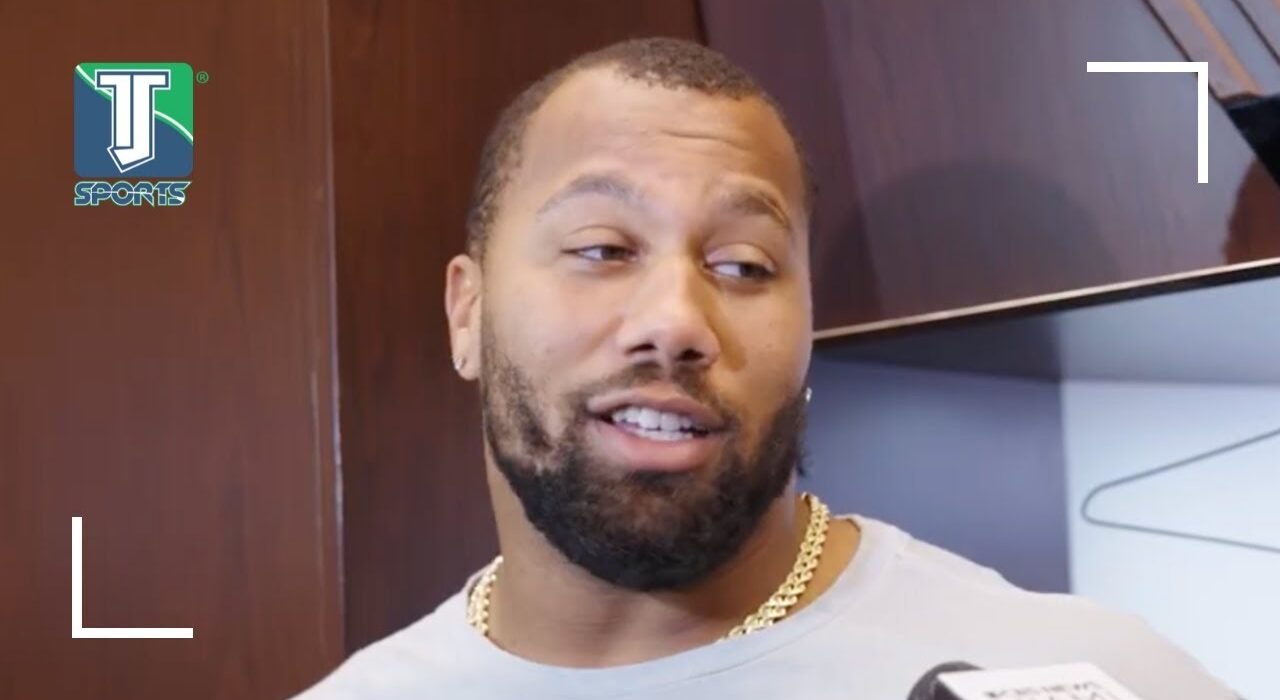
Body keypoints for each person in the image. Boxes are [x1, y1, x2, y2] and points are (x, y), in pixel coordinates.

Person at [293, 37, 1235, 699]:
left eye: (743, 266)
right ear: (467, 313)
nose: (675, 322)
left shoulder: (1080, 675)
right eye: (602, 249)